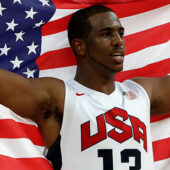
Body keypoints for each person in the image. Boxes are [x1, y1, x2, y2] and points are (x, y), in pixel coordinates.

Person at [0, 4, 169, 170]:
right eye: (106, 34)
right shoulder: (61, 97)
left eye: (121, 33)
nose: (119, 41)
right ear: (80, 46)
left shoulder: (143, 93)